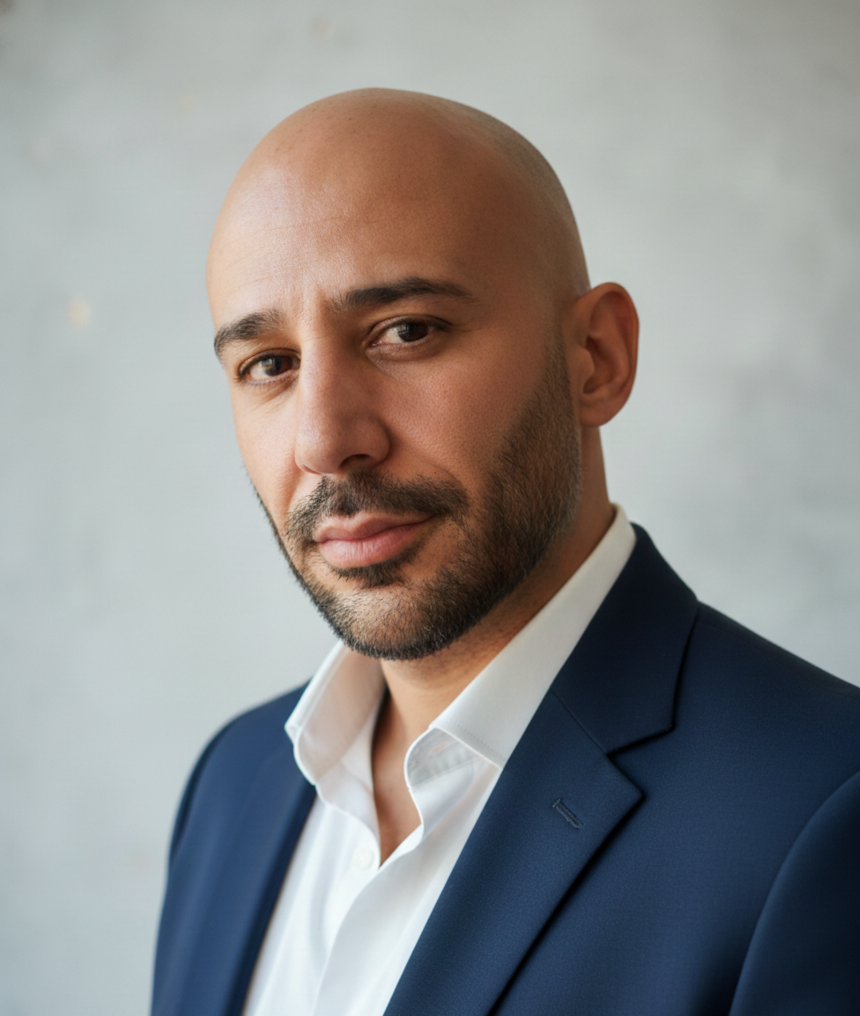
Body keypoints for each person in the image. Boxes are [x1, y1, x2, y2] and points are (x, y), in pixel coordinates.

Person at [151, 89, 860, 1016]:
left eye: (406, 331)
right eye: (269, 366)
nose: (324, 440)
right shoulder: (232, 784)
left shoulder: (823, 811)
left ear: (596, 359)